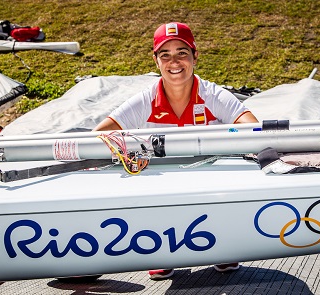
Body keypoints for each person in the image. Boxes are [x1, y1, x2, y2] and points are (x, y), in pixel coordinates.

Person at [94, 22, 259, 280]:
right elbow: (100, 135)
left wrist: (226, 140)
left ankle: (222, 241)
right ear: (156, 60)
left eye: (182, 52)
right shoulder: (145, 100)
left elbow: (254, 129)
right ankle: (162, 246)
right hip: (163, 184)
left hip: (210, 181)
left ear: (195, 55)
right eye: (165, 54)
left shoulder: (214, 95)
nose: (174, 61)